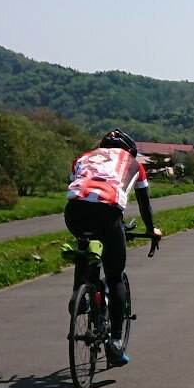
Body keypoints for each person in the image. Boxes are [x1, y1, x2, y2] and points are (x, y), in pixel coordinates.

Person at [65, 129, 162, 365]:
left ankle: (79, 293)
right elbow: (144, 204)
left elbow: (80, 190)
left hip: (74, 212)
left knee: (86, 248)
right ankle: (116, 343)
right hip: (107, 212)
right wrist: (151, 230)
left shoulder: (82, 158)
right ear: (129, 149)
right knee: (115, 275)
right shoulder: (134, 164)